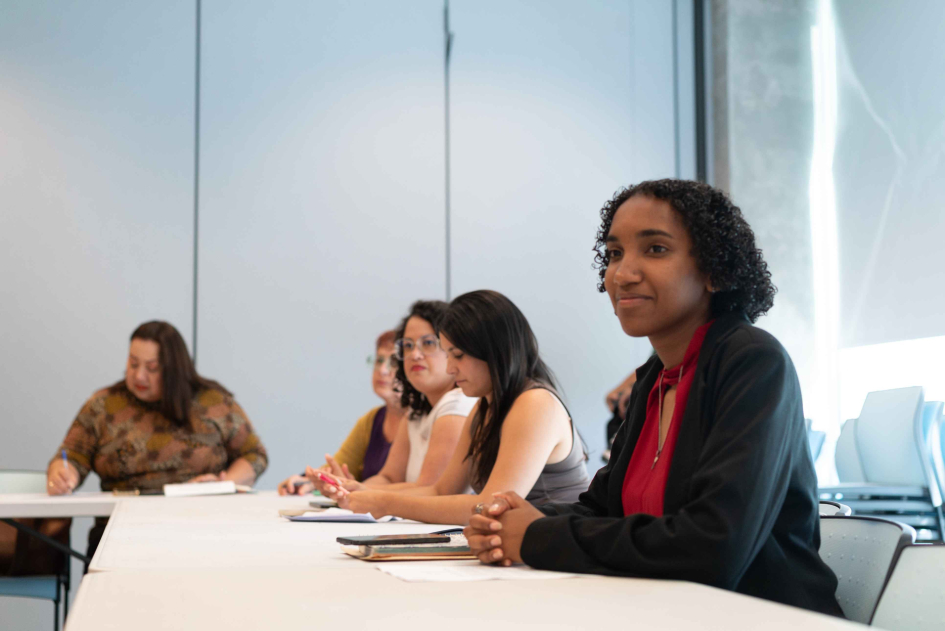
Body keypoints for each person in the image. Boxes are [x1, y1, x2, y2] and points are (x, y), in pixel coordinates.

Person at [463, 179, 843, 616]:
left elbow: (713, 547)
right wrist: (508, 519)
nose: (622, 274)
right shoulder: (655, 379)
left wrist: (537, 537)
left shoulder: (753, 361)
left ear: (715, 270)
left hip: (767, 619)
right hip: (664, 612)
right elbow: (602, 508)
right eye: (614, 254)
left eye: (656, 249)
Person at [312, 290, 589, 525]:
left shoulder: (534, 403)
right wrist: (362, 492)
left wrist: (385, 502)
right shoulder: (482, 409)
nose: (449, 367)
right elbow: (440, 491)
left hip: (557, 551)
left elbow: (490, 505)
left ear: (494, 351)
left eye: (457, 355)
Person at [47, 320, 268, 559]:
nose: (139, 375)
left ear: (174, 369)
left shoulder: (212, 402)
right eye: (133, 364)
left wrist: (224, 484)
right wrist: (62, 474)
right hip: (119, 534)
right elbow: (70, 457)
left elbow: (254, 455)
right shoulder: (103, 405)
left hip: (202, 530)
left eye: (152, 368)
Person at [305, 301, 476, 491]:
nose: (415, 354)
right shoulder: (415, 413)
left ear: (452, 348)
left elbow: (429, 491)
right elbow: (388, 478)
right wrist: (347, 488)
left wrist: (355, 492)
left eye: (428, 343)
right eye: (408, 345)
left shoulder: (458, 403)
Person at [277, 330, 406, 494]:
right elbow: (338, 466)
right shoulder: (371, 420)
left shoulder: (423, 420)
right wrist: (310, 480)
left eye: (393, 363)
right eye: (379, 360)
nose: (382, 370)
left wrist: (353, 486)